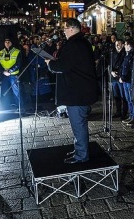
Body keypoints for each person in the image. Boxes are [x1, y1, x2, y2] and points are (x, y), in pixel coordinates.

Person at [45, 18, 98, 164]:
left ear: (72, 28)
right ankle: (80, 150)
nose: (63, 31)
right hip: (78, 91)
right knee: (77, 123)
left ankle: (81, 155)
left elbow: (63, 66)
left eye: (65, 28)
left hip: (78, 93)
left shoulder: (75, 44)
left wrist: (50, 63)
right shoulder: (80, 42)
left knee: (78, 124)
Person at [0, 38, 22, 109]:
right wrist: (3, 71)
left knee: (16, 92)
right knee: (4, 91)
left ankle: (18, 107)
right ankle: (5, 107)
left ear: (11, 43)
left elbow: (18, 63)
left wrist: (10, 71)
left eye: (8, 42)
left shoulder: (17, 51)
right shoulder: (0, 52)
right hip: (4, 75)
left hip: (13, 74)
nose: (7, 43)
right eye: (6, 42)